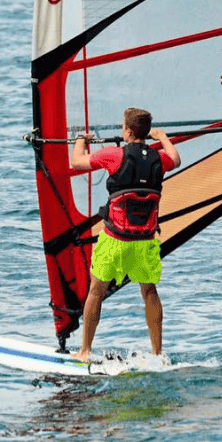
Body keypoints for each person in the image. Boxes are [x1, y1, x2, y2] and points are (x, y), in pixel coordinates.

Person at [70, 106, 181, 361]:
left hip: (115, 239)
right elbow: (176, 159)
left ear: (128, 132)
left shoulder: (114, 155)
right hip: (145, 241)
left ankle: (84, 351)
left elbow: (76, 162)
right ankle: (157, 353)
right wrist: (162, 137)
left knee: (96, 292)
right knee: (149, 292)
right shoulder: (159, 159)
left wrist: (80, 140)